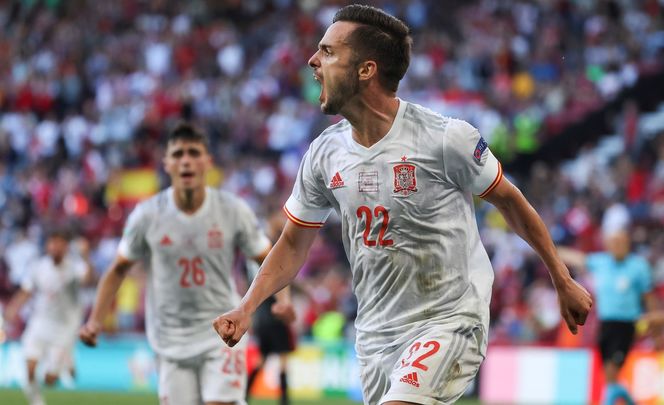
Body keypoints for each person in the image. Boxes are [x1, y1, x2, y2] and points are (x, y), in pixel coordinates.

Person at [214, 4, 592, 405]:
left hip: (449, 320)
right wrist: (246, 307)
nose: (312, 60)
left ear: (366, 70)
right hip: (376, 337)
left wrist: (561, 278)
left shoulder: (445, 139)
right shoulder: (324, 154)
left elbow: (511, 202)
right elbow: (292, 244)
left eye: (327, 52)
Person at [79, 123, 294, 405]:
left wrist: (283, 300)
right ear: (167, 164)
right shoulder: (146, 216)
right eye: (178, 154)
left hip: (222, 332)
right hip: (170, 340)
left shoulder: (233, 211)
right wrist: (95, 320)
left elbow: (268, 258)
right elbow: (118, 269)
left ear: (208, 162)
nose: (186, 161)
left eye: (194, 153)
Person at [559, 229, 657, 405]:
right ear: (608, 245)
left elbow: (648, 297)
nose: (618, 245)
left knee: (612, 369)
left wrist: (653, 322)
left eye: (622, 242)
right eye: (615, 242)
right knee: (609, 373)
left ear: (628, 244)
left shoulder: (638, 266)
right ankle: (627, 399)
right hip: (605, 324)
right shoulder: (601, 262)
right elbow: (577, 258)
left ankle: (609, 400)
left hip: (626, 324)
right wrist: (548, 249)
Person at [4, 230, 94, 405]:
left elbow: (88, 280)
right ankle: (37, 402)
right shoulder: (39, 266)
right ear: (47, 245)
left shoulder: (74, 267)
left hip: (64, 328)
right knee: (30, 370)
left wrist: (86, 255)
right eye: (52, 242)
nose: (55, 247)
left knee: (50, 380)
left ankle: (66, 359)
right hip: (39, 323)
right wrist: (12, 310)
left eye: (59, 243)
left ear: (66, 247)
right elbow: (26, 291)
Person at [245, 211, 294, 405]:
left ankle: (244, 394)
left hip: (260, 315)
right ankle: (284, 400)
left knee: (262, 359)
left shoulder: (254, 255)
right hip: (275, 313)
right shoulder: (274, 251)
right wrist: (285, 303)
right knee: (282, 358)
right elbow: (280, 281)